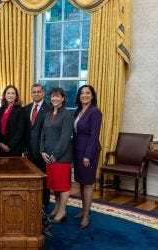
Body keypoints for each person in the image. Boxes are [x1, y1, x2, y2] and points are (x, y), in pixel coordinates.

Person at [40, 87, 74, 223]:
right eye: (52, 97)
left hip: (61, 157)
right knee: (55, 185)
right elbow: (43, 134)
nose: (54, 99)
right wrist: (42, 151)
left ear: (63, 98)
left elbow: (65, 137)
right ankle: (56, 208)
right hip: (48, 156)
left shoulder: (67, 114)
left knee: (63, 185)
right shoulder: (48, 114)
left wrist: (55, 154)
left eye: (57, 96)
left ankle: (62, 211)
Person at [73, 85, 102, 229]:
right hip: (77, 150)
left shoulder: (95, 112)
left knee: (89, 183)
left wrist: (88, 156)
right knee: (81, 181)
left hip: (89, 152)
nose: (84, 95)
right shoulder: (78, 111)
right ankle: (84, 209)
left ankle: (86, 216)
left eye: (87, 93)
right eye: (82, 93)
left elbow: (94, 135)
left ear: (92, 96)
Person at [24, 83, 52, 208]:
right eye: (34, 92)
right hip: (29, 150)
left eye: (38, 92)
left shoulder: (50, 108)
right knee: (31, 178)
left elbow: (49, 131)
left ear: (43, 93)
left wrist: (44, 150)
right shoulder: (27, 108)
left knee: (43, 179)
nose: (36, 94)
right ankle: (32, 202)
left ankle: (44, 203)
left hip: (43, 151)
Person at [0, 85, 25, 157]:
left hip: (14, 147)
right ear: (5, 95)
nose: (10, 95)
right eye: (8, 93)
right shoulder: (1, 109)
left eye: (13, 93)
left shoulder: (21, 110)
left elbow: (20, 131)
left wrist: (9, 146)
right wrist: (0, 143)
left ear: (16, 96)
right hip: (1, 146)